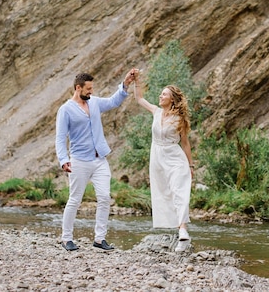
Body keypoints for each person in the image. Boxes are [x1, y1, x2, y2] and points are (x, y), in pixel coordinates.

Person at [55, 71, 134, 251]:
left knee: (105, 197)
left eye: (92, 88)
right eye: (88, 88)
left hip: (100, 160)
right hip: (79, 161)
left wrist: (125, 84)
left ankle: (99, 239)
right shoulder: (65, 109)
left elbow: (114, 101)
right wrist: (63, 159)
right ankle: (66, 238)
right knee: (74, 200)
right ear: (78, 88)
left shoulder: (95, 102)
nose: (91, 91)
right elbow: (60, 138)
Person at [132, 69, 194, 251]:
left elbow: (185, 144)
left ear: (172, 99)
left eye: (164, 94)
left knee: (178, 191)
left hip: (175, 158)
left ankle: (183, 231)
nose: (160, 96)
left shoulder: (180, 119)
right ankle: (178, 228)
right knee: (164, 192)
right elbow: (139, 99)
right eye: (161, 94)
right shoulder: (156, 112)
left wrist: (190, 165)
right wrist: (137, 80)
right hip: (157, 158)